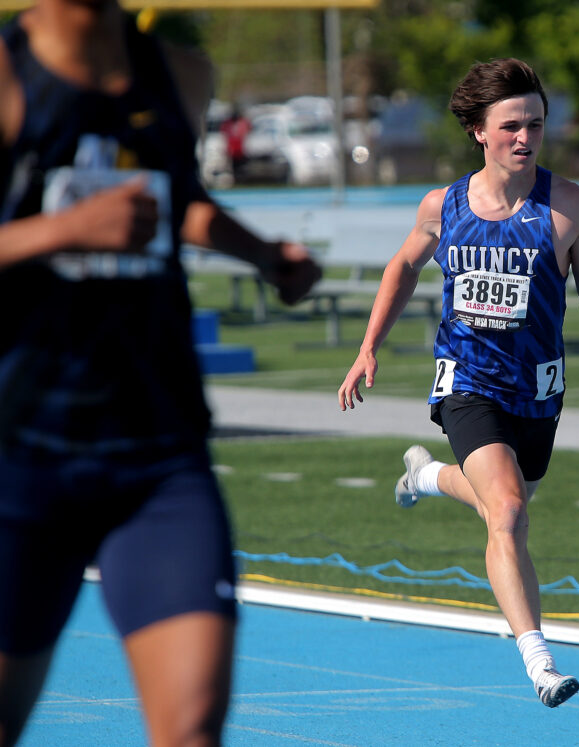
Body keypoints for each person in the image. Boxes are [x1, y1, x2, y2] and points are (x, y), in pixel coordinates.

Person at [0, 2, 322, 745]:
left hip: (157, 452)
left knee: (191, 728)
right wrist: (64, 230)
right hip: (22, 452)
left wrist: (267, 256)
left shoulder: (178, 74)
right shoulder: (10, 77)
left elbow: (183, 202)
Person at [337, 57, 579, 708]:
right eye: (510, 125)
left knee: (506, 500)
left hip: (537, 391)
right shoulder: (442, 206)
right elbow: (401, 268)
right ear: (479, 130)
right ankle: (540, 662)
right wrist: (368, 348)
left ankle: (423, 477)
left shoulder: (572, 207)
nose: (525, 137)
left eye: (535, 123)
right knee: (506, 512)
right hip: (465, 380)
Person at [220, 103, 251, 184]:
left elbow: (246, 133)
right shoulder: (228, 123)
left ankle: (243, 180)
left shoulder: (243, 122)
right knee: (233, 166)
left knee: (242, 166)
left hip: (241, 149)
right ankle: (235, 181)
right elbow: (224, 134)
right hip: (232, 149)